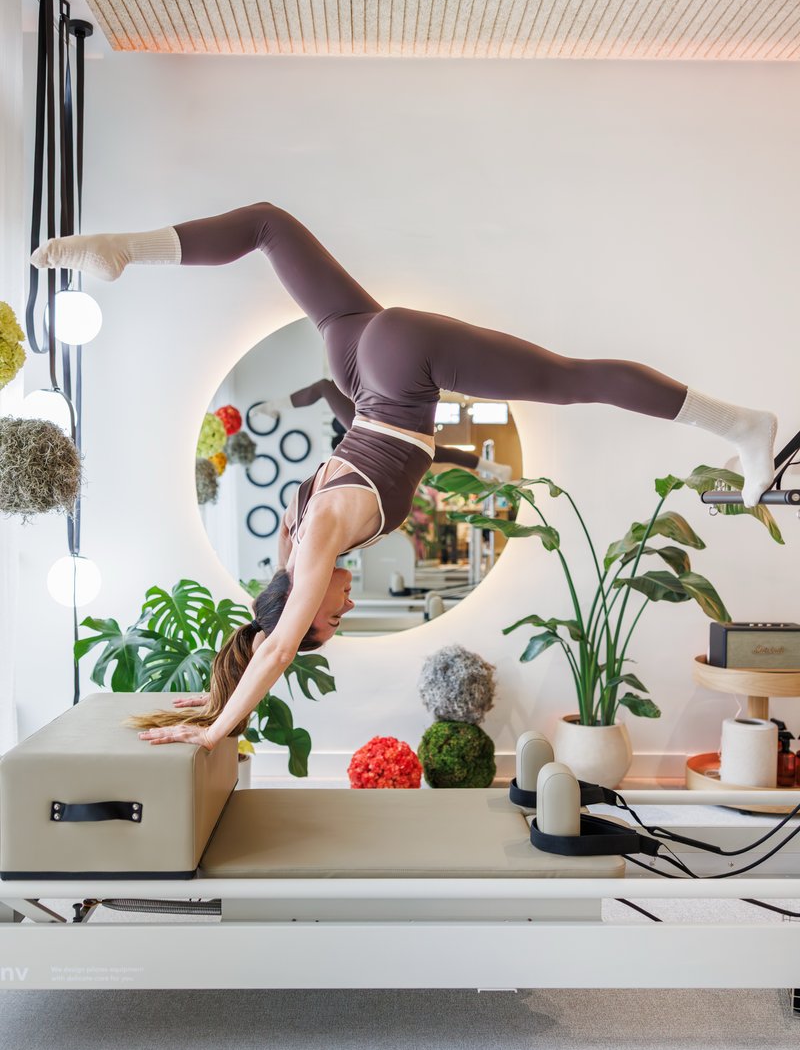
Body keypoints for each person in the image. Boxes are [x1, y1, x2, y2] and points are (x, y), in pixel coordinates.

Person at [31, 202, 779, 752]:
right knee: (267, 224)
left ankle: (741, 425)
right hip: (354, 354)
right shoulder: (296, 534)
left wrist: (216, 729)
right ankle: (123, 248)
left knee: (570, 378)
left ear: (304, 605)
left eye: (330, 617)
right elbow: (263, 628)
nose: (344, 604)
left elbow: (275, 646)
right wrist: (210, 694)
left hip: (394, 369)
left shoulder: (316, 539)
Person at [252, 376, 513, 479]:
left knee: (438, 453)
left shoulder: (354, 439)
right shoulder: (354, 428)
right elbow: (324, 387)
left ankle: (495, 468)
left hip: (391, 436)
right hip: (379, 430)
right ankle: (275, 405)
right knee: (325, 386)